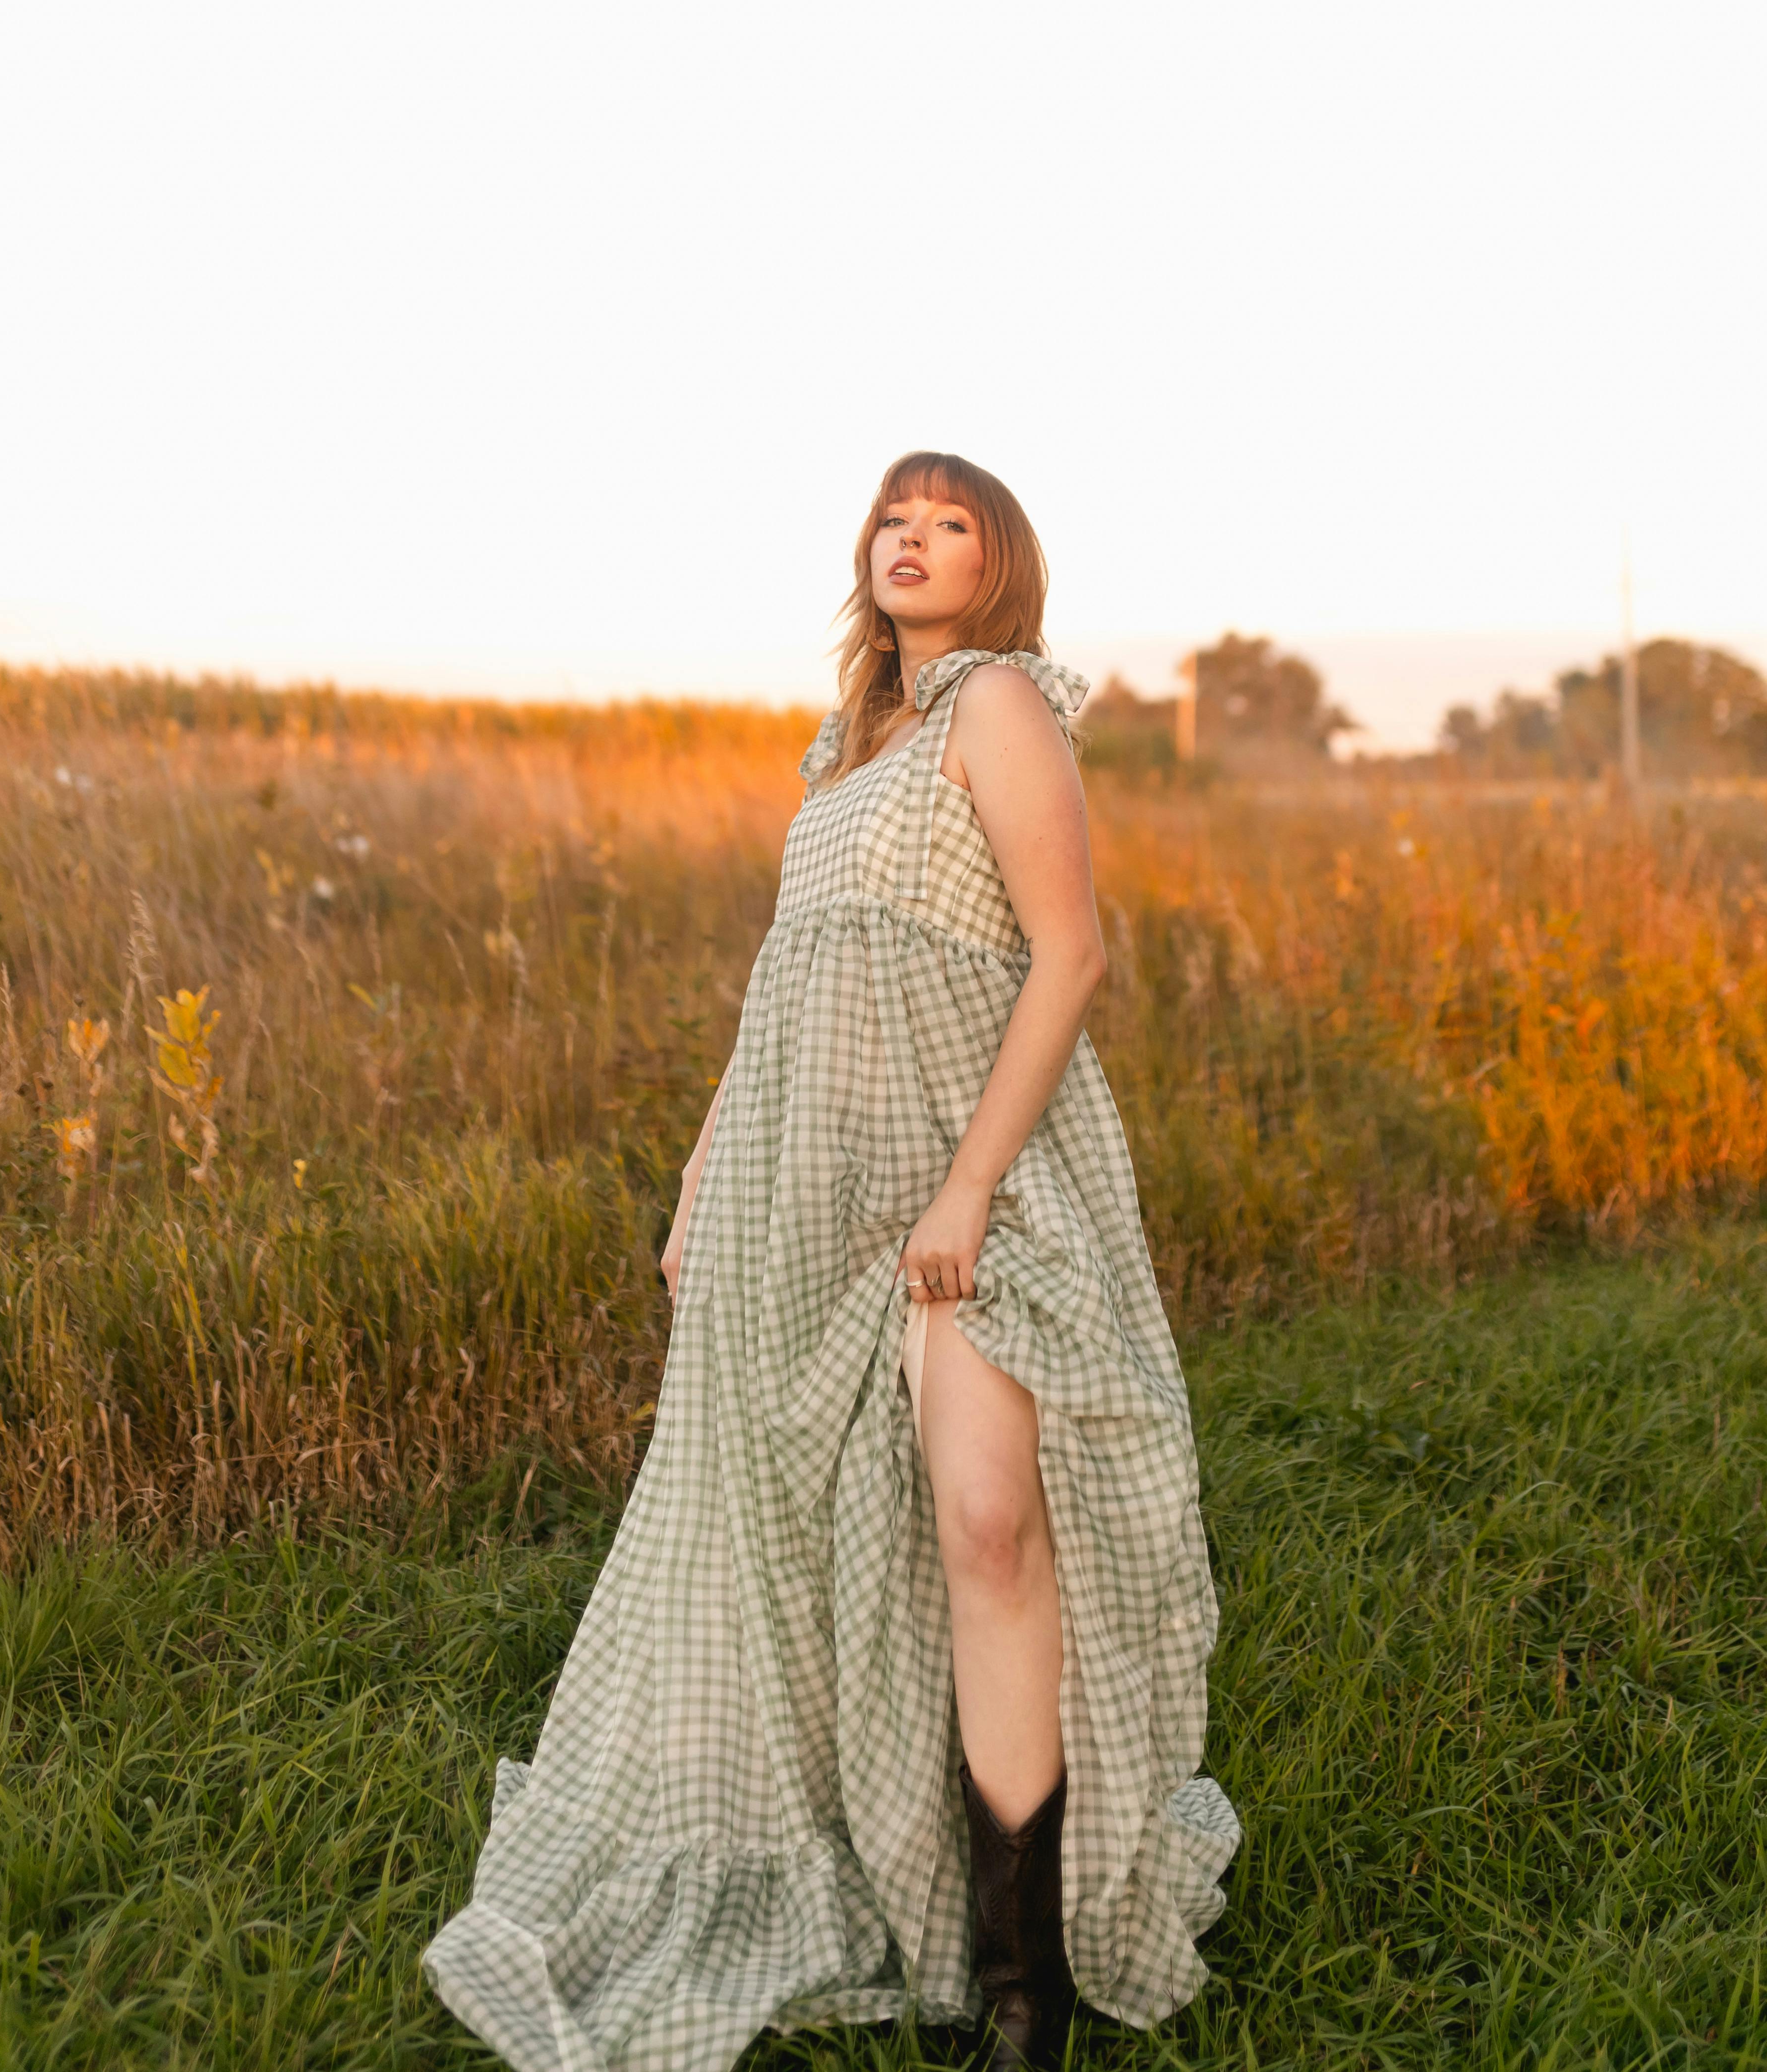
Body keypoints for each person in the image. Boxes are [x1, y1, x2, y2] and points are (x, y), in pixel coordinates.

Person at [425, 453, 1238, 2072]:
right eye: (894, 517)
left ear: (999, 567)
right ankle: (927, 1891)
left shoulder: (999, 703)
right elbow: (786, 982)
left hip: (967, 1176)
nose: (912, 541)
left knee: (992, 1525)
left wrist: (966, 1189)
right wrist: (705, 1170)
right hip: (804, 1186)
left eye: (951, 523)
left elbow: (1070, 953)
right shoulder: (847, 748)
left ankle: (1026, 1987)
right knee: (844, 1539)